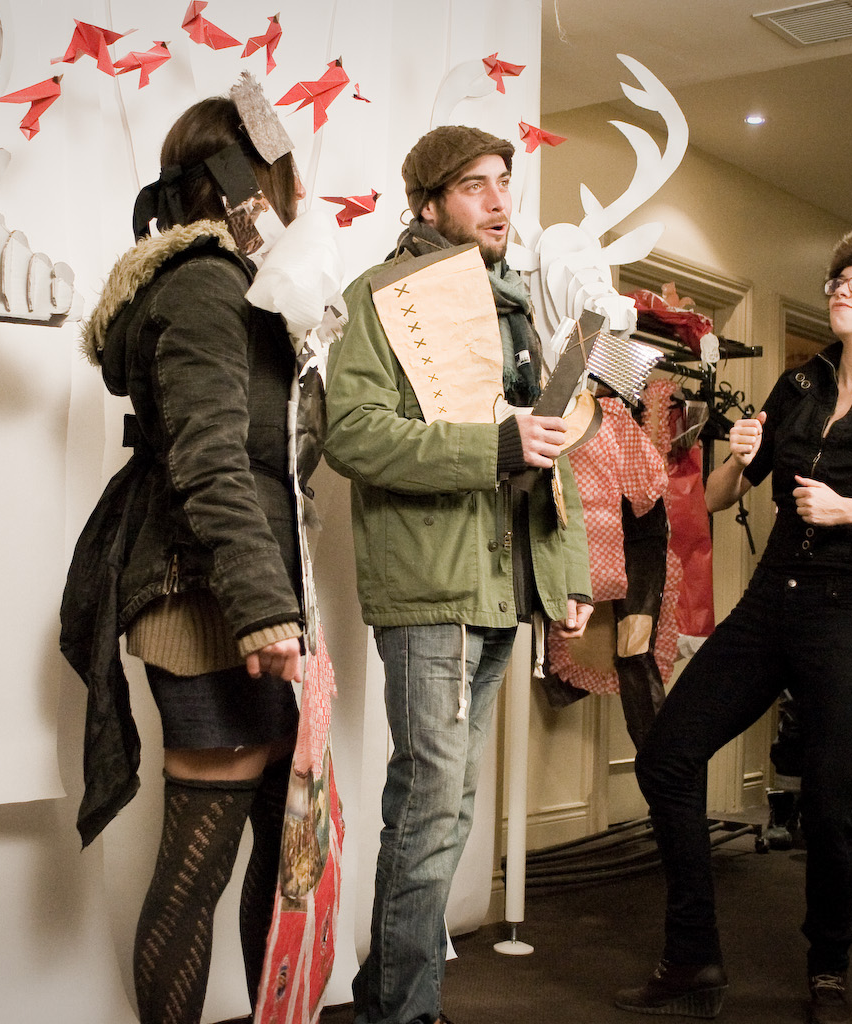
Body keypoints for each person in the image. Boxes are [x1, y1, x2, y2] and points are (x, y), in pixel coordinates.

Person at [614, 224, 852, 1024]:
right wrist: (740, 456)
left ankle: (828, 969)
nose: (840, 289)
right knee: (669, 756)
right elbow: (715, 500)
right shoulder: (797, 387)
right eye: (836, 279)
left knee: (830, 800)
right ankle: (692, 956)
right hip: (771, 602)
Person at [323, 125, 595, 1024]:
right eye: (474, 185)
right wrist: (494, 443)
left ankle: (402, 1001)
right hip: (433, 588)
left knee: (449, 807)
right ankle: (397, 1011)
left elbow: (549, 450)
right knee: (431, 808)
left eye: (505, 182)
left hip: (502, 588)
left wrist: (570, 575)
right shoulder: (381, 298)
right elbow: (352, 433)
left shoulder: (514, 306)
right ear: (429, 202)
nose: (498, 199)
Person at [60, 87, 312, 1024]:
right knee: (198, 862)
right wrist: (264, 609)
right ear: (243, 183)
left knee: (265, 843)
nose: (294, 202)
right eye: (283, 181)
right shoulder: (207, 283)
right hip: (206, 597)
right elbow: (211, 458)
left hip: (238, 590)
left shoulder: (239, 288)